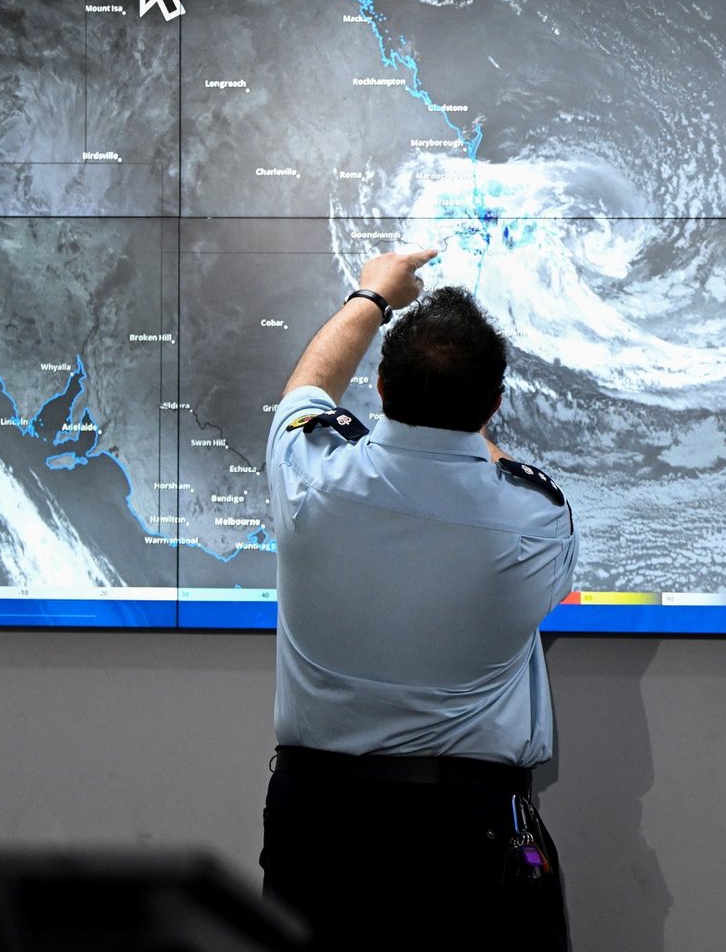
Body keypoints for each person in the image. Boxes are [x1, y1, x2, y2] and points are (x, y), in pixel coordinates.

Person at [261, 248, 579, 951]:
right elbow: (482, 463)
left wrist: (373, 294)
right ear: (493, 405)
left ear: (377, 387)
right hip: (468, 829)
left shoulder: (310, 479)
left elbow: (305, 391)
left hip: (317, 826)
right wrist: (461, 416)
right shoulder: (534, 519)